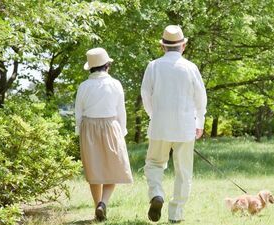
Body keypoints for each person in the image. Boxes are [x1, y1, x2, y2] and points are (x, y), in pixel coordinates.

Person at [141, 25, 207, 223]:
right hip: (185, 126)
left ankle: (156, 194)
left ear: (163, 47)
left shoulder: (153, 66)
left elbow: (146, 95)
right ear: (183, 46)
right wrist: (200, 121)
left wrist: (155, 115)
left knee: (154, 163)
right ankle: (176, 214)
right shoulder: (191, 67)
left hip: (159, 125)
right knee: (183, 171)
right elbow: (200, 98)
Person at [75, 47, 133, 221]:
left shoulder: (84, 86)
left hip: (89, 127)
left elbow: (78, 112)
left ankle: (96, 206)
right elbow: (121, 110)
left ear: (91, 67)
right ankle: (104, 203)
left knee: (94, 170)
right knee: (113, 168)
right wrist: (122, 132)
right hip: (110, 125)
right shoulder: (115, 84)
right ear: (107, 65)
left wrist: (80, 132)